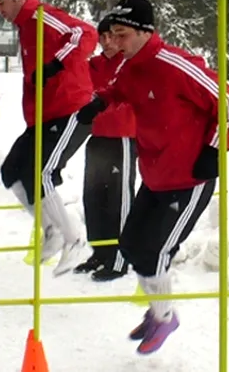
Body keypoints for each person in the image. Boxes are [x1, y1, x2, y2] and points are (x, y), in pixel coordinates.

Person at [76, 0, 229, 354]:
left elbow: (228, 103)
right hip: (154, 174)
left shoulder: (175, 64)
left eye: (121, 35)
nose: (114, 43)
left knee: (153, 252)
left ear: (144, 31)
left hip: (190, 178)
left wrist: (215, 150)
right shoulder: (129, 65)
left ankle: (166, 317)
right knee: (132, 246)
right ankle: (158, 312)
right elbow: (120, 90)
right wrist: (100, 101)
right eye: (112, 36)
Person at [0, 0, 97, 276]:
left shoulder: (43, 17)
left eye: (2, 3)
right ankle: (52, 230)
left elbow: (84, 33)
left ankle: (75, 239)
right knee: (12, 171)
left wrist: (55, 64)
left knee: (41, 172)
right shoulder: (25, 27)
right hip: (44, 114)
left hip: (71, 108)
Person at [74, 17, 137, 282]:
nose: (109, 42)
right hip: (97, 136)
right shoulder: (94, 65)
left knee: (119, 200)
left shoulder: (130, 64)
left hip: (123, 137)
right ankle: (100, 252)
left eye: (114, 36)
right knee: (93, 196)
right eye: (104, 37)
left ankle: (121, 258)